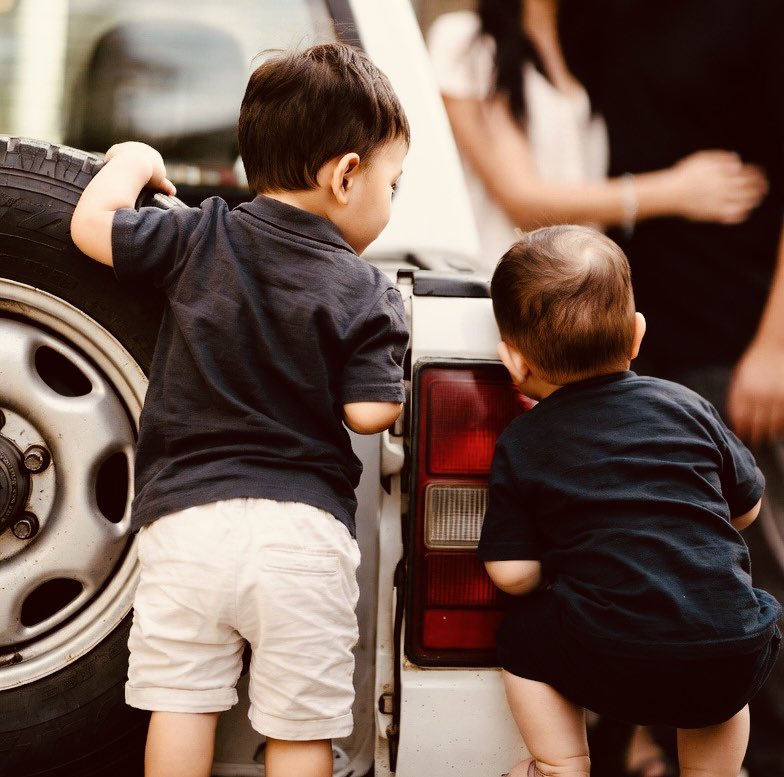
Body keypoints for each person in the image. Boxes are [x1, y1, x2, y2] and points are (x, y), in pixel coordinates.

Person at [70, 43, 410, 777]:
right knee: (299, 726)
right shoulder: (367, 290)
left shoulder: (199, 234)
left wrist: (132, 159)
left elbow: (90, 225)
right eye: (393, 183)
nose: (391, 200)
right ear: (346, 175)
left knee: (181, 704)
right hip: (301, 538)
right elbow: (368, 413)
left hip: (187, 525)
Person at [557, 2, 784, 774]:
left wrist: (774, 348)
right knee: (642, 577)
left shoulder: (757, 20)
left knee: (746, 582)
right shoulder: (600, 19)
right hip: (619, 350)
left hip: (734, 351)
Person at [479, 225, 782, 777]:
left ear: (513, 361)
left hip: (612, 655)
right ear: (637, 335)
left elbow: (513, 575)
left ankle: (562, 763)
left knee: (521, 634)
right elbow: (746, 509)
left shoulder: (524, 440)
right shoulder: (688, 405)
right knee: (727, 635)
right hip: (729, 654)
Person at [425, 0, 768, 275]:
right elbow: (522, 198)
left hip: (576, 304)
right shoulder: (466, 41)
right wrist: (675, 191)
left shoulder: (591, 48)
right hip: (496, 294)